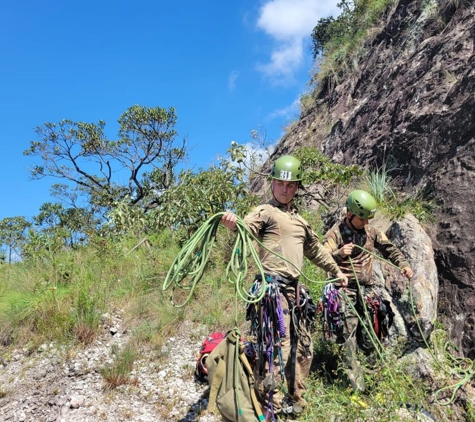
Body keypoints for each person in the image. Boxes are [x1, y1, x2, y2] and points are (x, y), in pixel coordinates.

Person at [221, 155, 348, 420]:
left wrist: (336, 271)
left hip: (296, 293)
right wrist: (234, 224)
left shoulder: (301, 222)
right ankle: (271, 408)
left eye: (290, 185)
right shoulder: (265, 212)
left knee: (303, 348)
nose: (285, 189)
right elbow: (245, 227)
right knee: (276, 350)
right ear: (272, 184)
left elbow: (317, 252)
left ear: (297, 188)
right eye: (280, 183)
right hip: (273, 293)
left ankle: (297, 401)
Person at [322, 189, 413, 392]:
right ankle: (355, 388)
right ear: (350, 215)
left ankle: (375, 382)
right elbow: (322, 257)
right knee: (348, 338)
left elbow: (389, 248)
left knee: (374, 333)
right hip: (344, 291)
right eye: (362, 219)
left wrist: (403, 264)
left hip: (367, 290)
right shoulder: (335, 233)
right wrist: (339, 254)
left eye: (367, 219)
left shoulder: (371, 232)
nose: (366, 223)